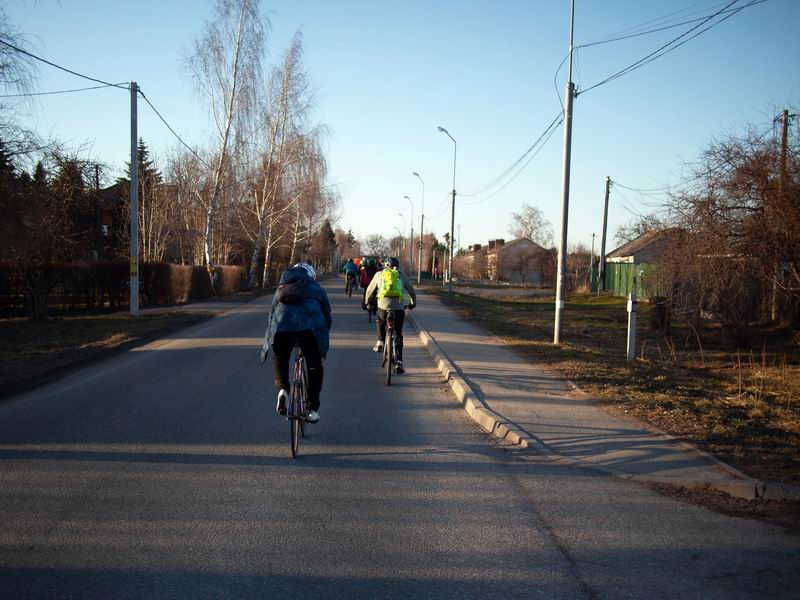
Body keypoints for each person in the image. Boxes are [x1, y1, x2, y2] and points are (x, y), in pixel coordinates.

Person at [260, 262, 332, 423]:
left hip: (282, 330)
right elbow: (327, 314)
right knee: (314, 366)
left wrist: (271, 336)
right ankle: (312, 409)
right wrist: (324, 334)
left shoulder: (281, 289)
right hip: (308, 332)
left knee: (280, 359)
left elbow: (272, 315)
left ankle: (283, 391)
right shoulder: (317, 289)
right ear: (310, 276)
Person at [364, 256, 416, 374]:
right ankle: (399, 362)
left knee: (380, 319)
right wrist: (413, 303)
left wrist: (367, 303)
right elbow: (411, 290)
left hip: (383, 305)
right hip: (398, 307)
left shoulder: (379, 275)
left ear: (384, 266)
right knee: (398, 334)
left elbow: (369, 290)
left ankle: (380, 342)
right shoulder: (401, 275)